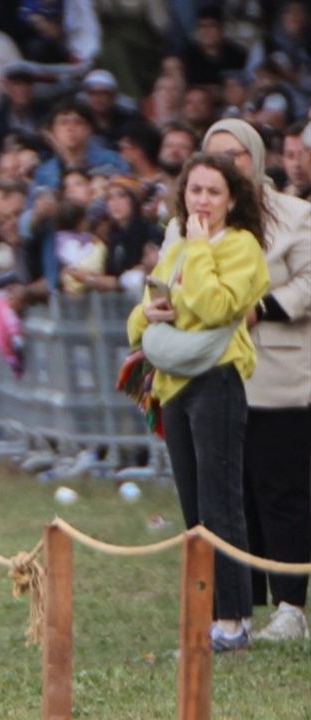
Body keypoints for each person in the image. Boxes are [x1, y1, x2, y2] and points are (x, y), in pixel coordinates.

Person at [127, 152, 270, 653]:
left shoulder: (241, 247)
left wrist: (199, 251)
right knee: (192, 505)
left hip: (217, 381)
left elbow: (214, 306)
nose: (202, 201)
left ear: (233, 199)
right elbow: (137, 323)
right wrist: (150, 310)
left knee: (220, 502)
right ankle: (209, 618)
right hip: (174, 386)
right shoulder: (177, 248)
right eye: (195, 191)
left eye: (213, 192)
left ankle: (234, 620)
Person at [188, 119, 311, 642]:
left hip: (278, 371)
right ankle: (238, 606)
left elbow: (308, 279)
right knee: (227, 491)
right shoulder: (191, 216)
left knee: (279, 487)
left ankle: (291, 605)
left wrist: (260, 308)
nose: (227, 164)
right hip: (211, 371)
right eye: (216, 155)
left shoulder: (295, 214)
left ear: (257, 158)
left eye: (237, 155)